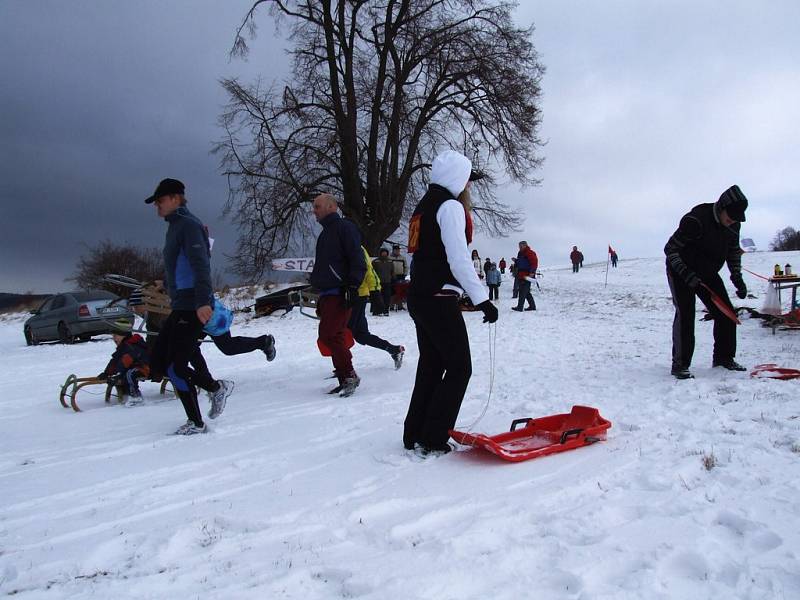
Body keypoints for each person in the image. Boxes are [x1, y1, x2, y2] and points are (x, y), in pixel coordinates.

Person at [404, 150, 498, 456]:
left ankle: (414, 431)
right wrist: (483, 300)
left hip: (419, 295)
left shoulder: (423, 206)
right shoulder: (450, 207)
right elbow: (459, 259)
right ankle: (432, 436)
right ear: (458, 178)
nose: (469, 185)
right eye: (468, 178)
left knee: (432, 364)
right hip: (438, 298)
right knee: (460, 367)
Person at [145, 178, 233, 434]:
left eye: (160, 201)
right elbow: (180, 265)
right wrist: (167, 284)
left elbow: (200, 265)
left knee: (176, 367)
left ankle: (197, 420)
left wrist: (204, 301)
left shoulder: (190, 225)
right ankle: (216, 388)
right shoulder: (174, 227)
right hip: (180, 304)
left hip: (193, 305)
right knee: (159, 363)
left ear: (175, 198)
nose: (157, 207)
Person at [664, 185, 749, 379]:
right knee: (686, 314)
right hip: (680, 270)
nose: (732, 220)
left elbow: (733, 251)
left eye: (736, 218)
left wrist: (737, 278)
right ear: (721, 207)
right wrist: (687, 275)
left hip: (707, 271)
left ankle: (723, 358)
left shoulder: (733, 225)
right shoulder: (696, 220)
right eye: (731, 215)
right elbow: (670, 249)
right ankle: (680, 365)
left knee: (726, 313)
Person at [310, 193, 367, 396]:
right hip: (327, 293)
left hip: (340, 291)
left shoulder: (345, 227)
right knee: (332, 335)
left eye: (317, 206)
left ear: (331, 207)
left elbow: (356, 258)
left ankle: (349, 375)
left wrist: (352, 286)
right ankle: (344, 375)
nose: (313, 211)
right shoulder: (326, 234)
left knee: (330, 334)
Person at [348, 246, 405, 368]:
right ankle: (393, 349)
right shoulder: (342, 245)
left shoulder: (357, 248)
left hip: (355, 296)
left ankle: (344, 369)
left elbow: (369, 270)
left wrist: (375, 292)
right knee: (361, 335)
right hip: (355, 295)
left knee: (341, 332)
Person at [97, 319, 150, 406]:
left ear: (124, 335)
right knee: (124, 374)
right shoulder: (122, 346)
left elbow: (124, 362)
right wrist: (106, 373)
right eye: (113, 335)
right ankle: (125, 392)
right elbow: (114, 361)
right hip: (131, 367)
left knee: (129, 374)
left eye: (116, 335)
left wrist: (117, 374)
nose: (114, 338)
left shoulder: (131, 346)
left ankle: (135, 396)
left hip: (144, 367)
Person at [512, 240, 538, 311]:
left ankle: (520, 307)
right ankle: (532, 306)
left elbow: (534, 262)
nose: (519, 248)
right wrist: (516, 261)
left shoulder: (530, 252)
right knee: (526, 292)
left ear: (525, 245)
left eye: (521, 246)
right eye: (519, 246)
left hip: (527, 275)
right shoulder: (520, 253)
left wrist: (532, 272)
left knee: (522, 291)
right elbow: (521, 262)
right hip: (521, 274)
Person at [372, 248, 394, 316]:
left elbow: (392, 271)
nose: (384, 254)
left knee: (387, 297)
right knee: (378, 297)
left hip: (387, 282)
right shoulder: (375, 261)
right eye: (383, 252)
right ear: (380, 253)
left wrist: (393, 278)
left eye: (385, 252)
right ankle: (377, 311)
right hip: (378, 282)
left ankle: (386, 311)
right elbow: (372, 271)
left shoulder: (390, 261)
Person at [390, 244, 408, 310]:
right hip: (392, 276)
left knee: (400, 291)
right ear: (393, 250)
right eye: (396, 250)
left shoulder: (402, 258)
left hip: (401, 276)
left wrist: (405, 274)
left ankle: (400, 305)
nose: (397, 251)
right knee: (392, 291)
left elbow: (406, 267)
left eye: (398, 250)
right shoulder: (389, 257)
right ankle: (391, 305)